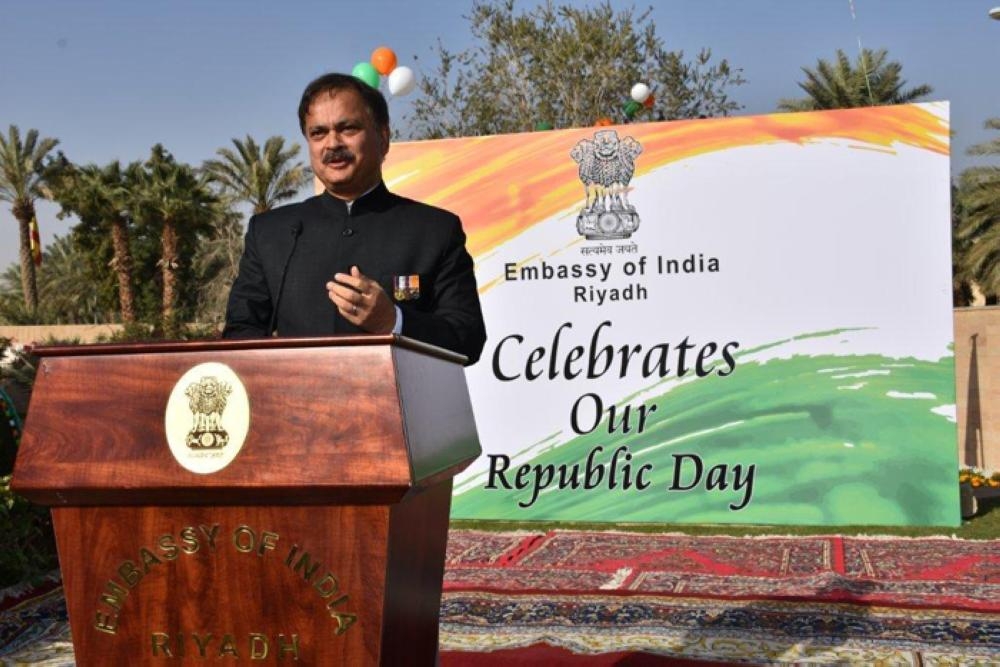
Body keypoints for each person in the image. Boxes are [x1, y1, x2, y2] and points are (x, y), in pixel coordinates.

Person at [222, 73, 487, 364]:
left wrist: (393, 322)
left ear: (383, 138)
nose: (332, 144)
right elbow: (240, 333)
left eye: (348, 128)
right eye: (318, 133)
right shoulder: (270, 233)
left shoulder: (435, 230)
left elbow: (468, 338)